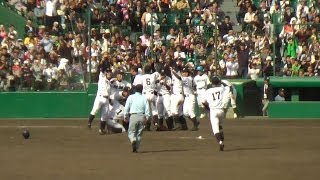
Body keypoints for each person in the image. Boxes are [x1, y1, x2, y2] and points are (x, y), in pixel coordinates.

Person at [202, 76, 228, 151]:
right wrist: (221, 82)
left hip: (213, 111)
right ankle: (221, 134)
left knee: (215, 129)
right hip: (221, 111)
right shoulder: (222, 89)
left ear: (212, 83)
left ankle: (220, 142)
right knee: (219, 124)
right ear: (219, 82)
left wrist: (208, 109)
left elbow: (203, 102)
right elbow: (228, 87)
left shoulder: (208, 91)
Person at [124, 84, 151, 153]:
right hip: (142, 116)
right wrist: (147, 117)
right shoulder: (144, 98)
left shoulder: (131, 97)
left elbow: (126, 107)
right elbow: (147, 109)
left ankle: (133, 140)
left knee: (131, 132)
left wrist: (125, 116)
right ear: (142, 90)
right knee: (139, 133)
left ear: (135, 90)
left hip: (133, 116)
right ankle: (136, 148)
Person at [87, 69, 112, 135]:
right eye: (108, 72)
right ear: (105, 73)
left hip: (106, 99)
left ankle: (101, 129)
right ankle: (89, 123)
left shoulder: (109, 83)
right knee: (95, 110)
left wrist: (109, 100)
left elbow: (109, 93)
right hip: (100, 97)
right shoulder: (102, 79)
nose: (109, 74)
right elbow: (101, 70)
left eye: (110, 73)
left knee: (104, 115)